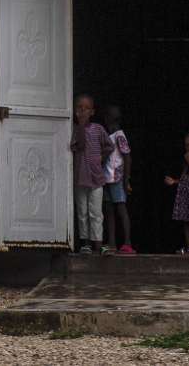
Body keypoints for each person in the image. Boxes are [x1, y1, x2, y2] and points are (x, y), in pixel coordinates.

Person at [70, 94, 113, 254]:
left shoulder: (98, 129)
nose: (82, 111)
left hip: (96, 178)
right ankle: (85, 243)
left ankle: (97, 243)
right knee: (82, 212)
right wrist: (80, 125)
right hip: (81, 179)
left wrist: (102, 156)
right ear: (75, 111)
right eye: (79, 108)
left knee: (96, 212)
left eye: (86, 108)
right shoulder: (74, 129)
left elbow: (110, 146)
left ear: (92, 112)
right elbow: (79, 145)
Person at [101, 106, 134, 255]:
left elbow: (127, 158)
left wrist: (126, 180)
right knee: (109, 211)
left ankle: (127, 243)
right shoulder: (109, 135)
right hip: (107, 179)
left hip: (117, 179)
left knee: (121, 209)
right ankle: (112, 243)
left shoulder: (119, 135)